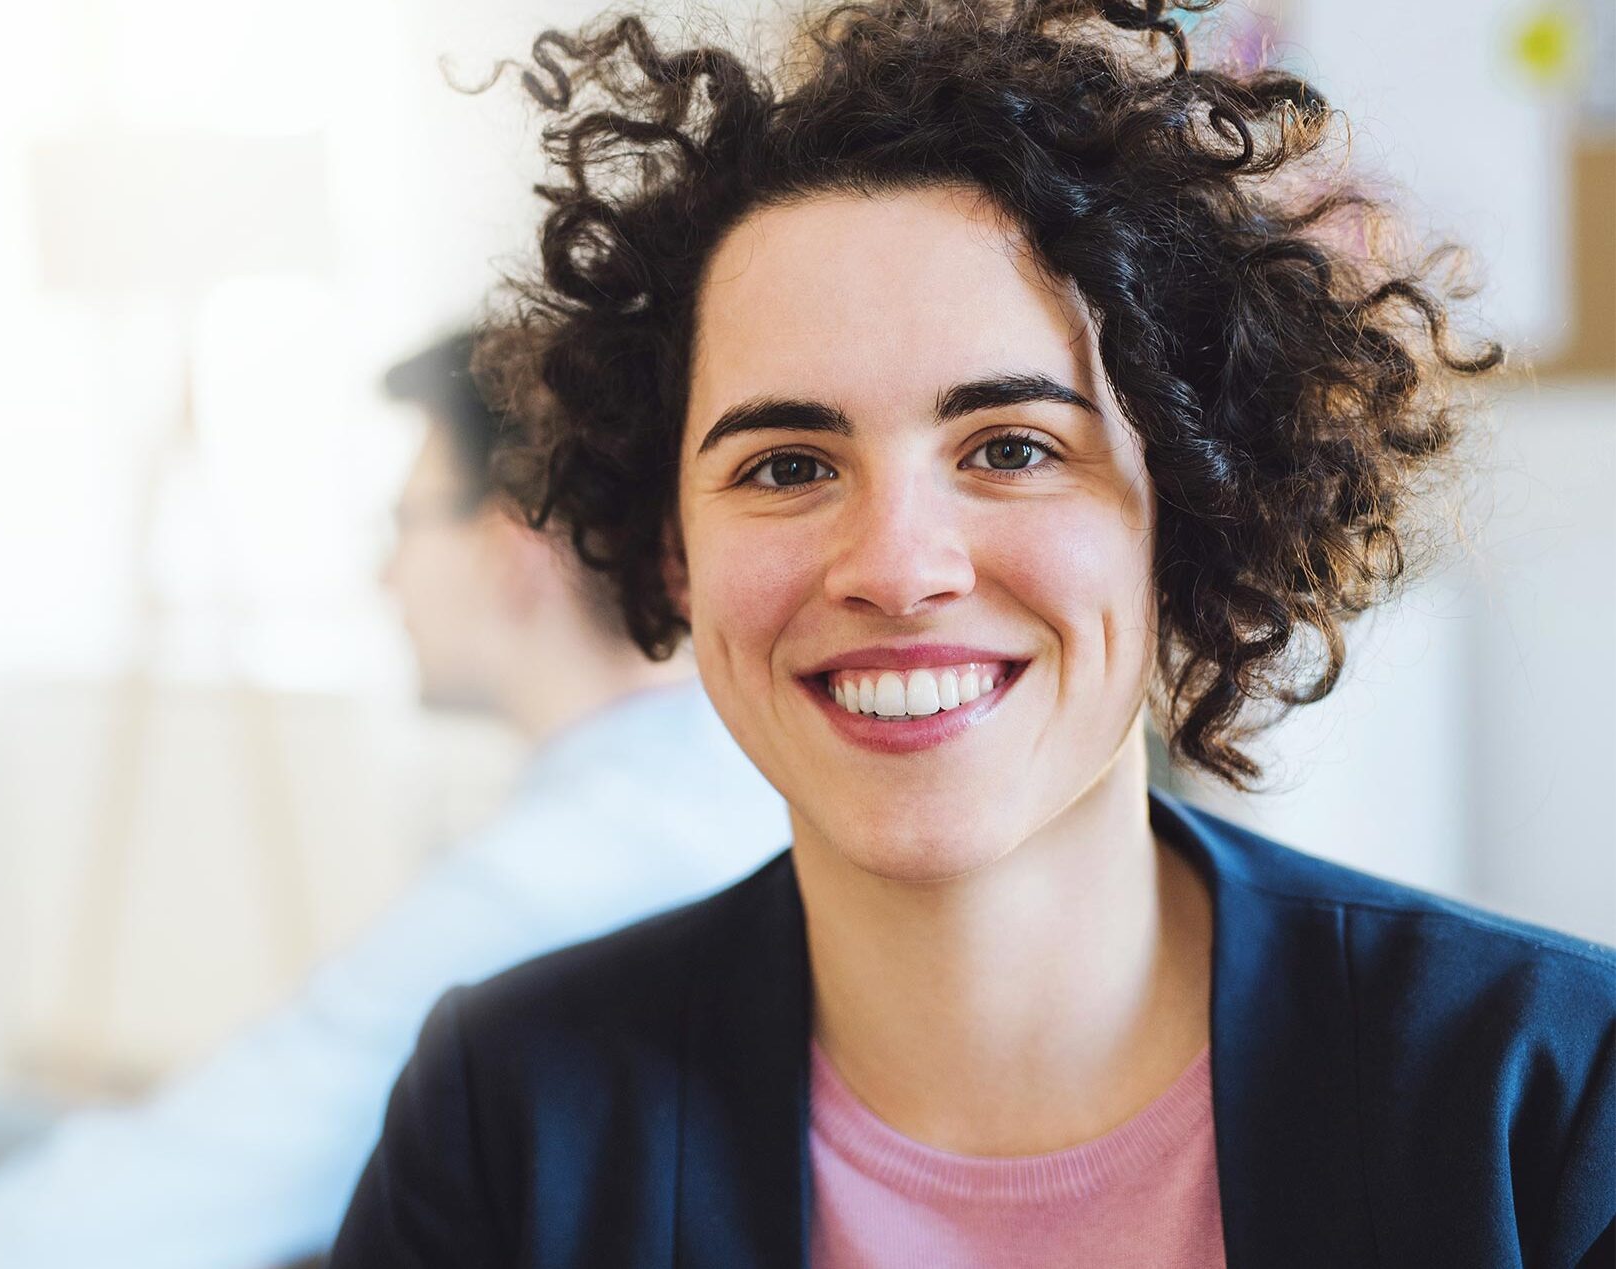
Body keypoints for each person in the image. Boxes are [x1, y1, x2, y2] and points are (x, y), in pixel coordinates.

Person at [331, 3, 1616, 1267]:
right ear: (673, 549)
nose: (894, 567)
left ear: (1193, 512)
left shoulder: (1551, 1097)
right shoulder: (504, 1117)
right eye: (785, 465)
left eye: (1011, 449)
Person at [0, 333, 789, 1269]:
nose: (384, 578)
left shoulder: (543, 878)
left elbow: (130, 1215)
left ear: (511, 548)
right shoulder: (735, 783)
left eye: (403, 524)